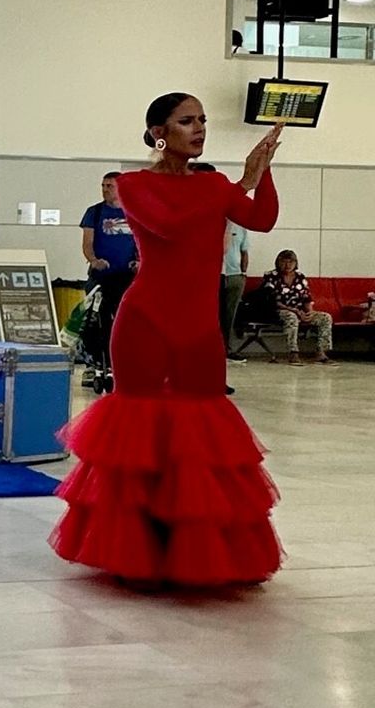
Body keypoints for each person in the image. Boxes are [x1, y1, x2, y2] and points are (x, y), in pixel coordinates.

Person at [50, 93, 284, 587]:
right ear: (160, 131)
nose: (198, 128)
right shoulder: (134, 185)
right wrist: (238, 183)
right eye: (186, 121)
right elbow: (172, 226)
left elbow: (261, 220)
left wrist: (260, 175)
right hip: (146, 320)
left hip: (200, 326)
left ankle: (193, 549)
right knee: (140, 433)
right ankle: (137, 550)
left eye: (202, 120)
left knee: (202, 435)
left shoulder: (215, 185)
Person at [80, 172, 138, 319]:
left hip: (127, 275)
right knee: (98, 317)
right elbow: (87, 242)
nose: (105, 190)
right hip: (101, 275)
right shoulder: (95, 212)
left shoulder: (134, 212)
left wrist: (140, 261)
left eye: (110, 186)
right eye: (103, 186)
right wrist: (93, 260)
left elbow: (143, 241)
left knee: (126, 316)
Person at [260, 250, 334, 366]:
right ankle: (293, 352)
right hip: (279, 310)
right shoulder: (271, 276)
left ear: (295, 263)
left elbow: (307, 298)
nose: (287, 265)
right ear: (278, 263)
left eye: (290, 262)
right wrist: (294, 310)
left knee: (325, 317)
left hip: (300, 311)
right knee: (291, 317)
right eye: (284, 262)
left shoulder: (300, 276)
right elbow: (273, 301)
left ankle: (321, 352)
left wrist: (310, 312)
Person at [221, 221, 250, 359]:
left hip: (235, 275)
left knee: (230, 315)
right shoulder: (210, 223)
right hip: (214, 275)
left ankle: (228, 349)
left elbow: (244, 252)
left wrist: (243, 274)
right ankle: (212, 349)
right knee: (212, 314)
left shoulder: (240, 227)